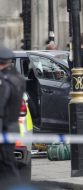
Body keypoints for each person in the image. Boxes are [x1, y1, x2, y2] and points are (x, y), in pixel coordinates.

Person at [0, 47, 25, 187]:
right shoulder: (18, 78)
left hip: (4, 127)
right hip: (13, 126)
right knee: (6, 162)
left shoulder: (4, 80)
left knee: (7, 164)